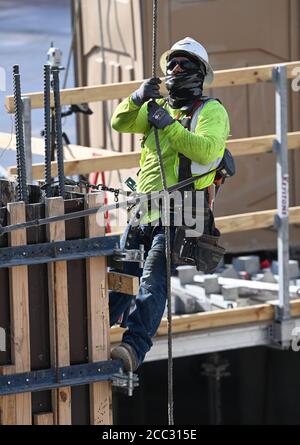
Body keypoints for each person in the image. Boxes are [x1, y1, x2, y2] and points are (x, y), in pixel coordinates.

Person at [109, 37, 230, 372]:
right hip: (143, 206)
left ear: (200, 73)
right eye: (171, 64)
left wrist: (169, 125)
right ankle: (92, 330)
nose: (176, 70)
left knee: (152, 280)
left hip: (184, 206)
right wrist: (136, 98)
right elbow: (119, 122)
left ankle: (132, 349)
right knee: (120, 275)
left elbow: (206, 151)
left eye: (184, 64)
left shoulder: (211, 111)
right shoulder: (155, 109)